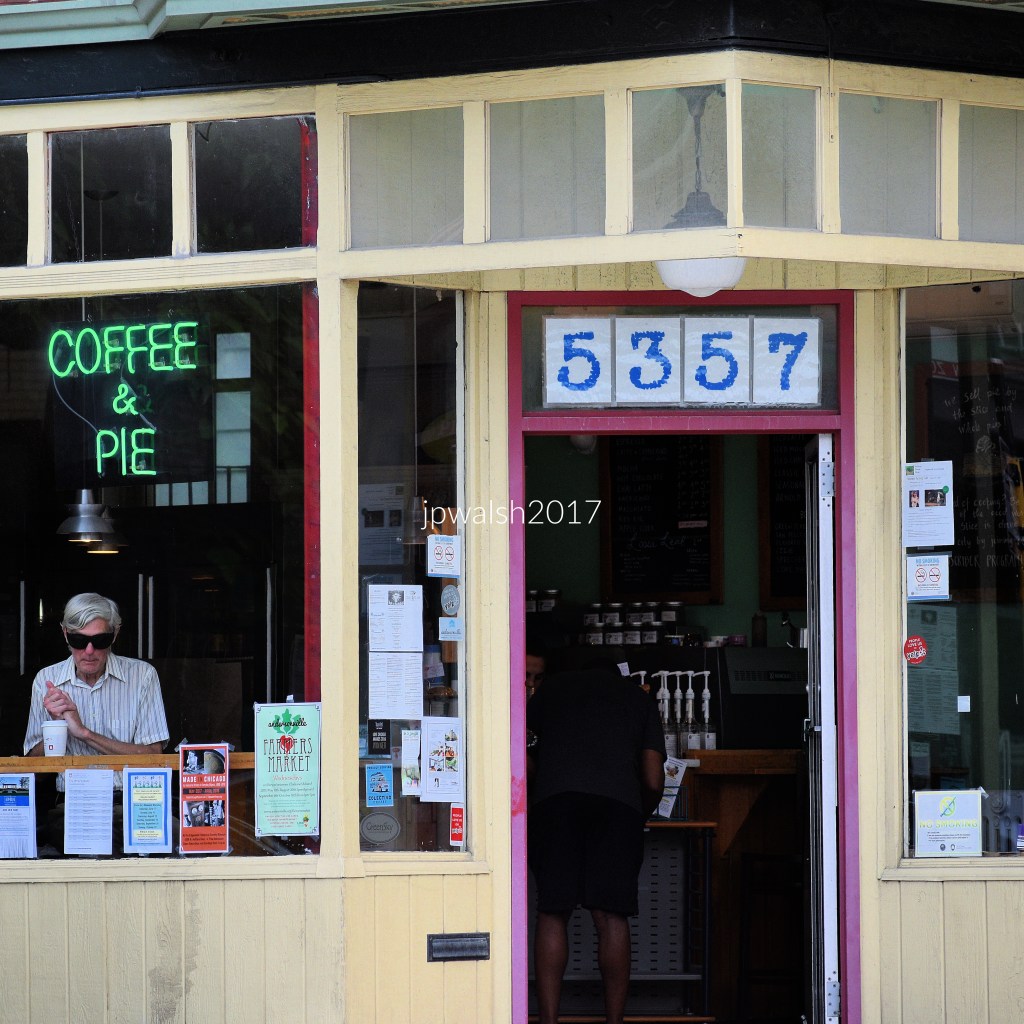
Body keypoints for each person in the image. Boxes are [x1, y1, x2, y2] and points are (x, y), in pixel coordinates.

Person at [526, 659, 666, 1024]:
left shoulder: (548, 692)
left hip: (555, 802)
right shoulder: (638, 699)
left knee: (553, 911)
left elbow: (522, 756)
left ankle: (548, 1020)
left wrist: (545, 788)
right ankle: (614, 1021)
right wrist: (637, 813)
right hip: (619, 807)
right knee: (611, 916)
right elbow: (654, 779)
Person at [23, 593, 170, 850]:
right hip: (71, 805)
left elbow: (153, 756)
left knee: (174, 840)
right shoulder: (46, 680)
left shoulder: (142, 676)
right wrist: (57, 728)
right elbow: (31, 768)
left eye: (100, 641)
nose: (89, 651)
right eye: (79, 641)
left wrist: (83, 733)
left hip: (133, 803)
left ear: (115, 634)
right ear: (65, 635)